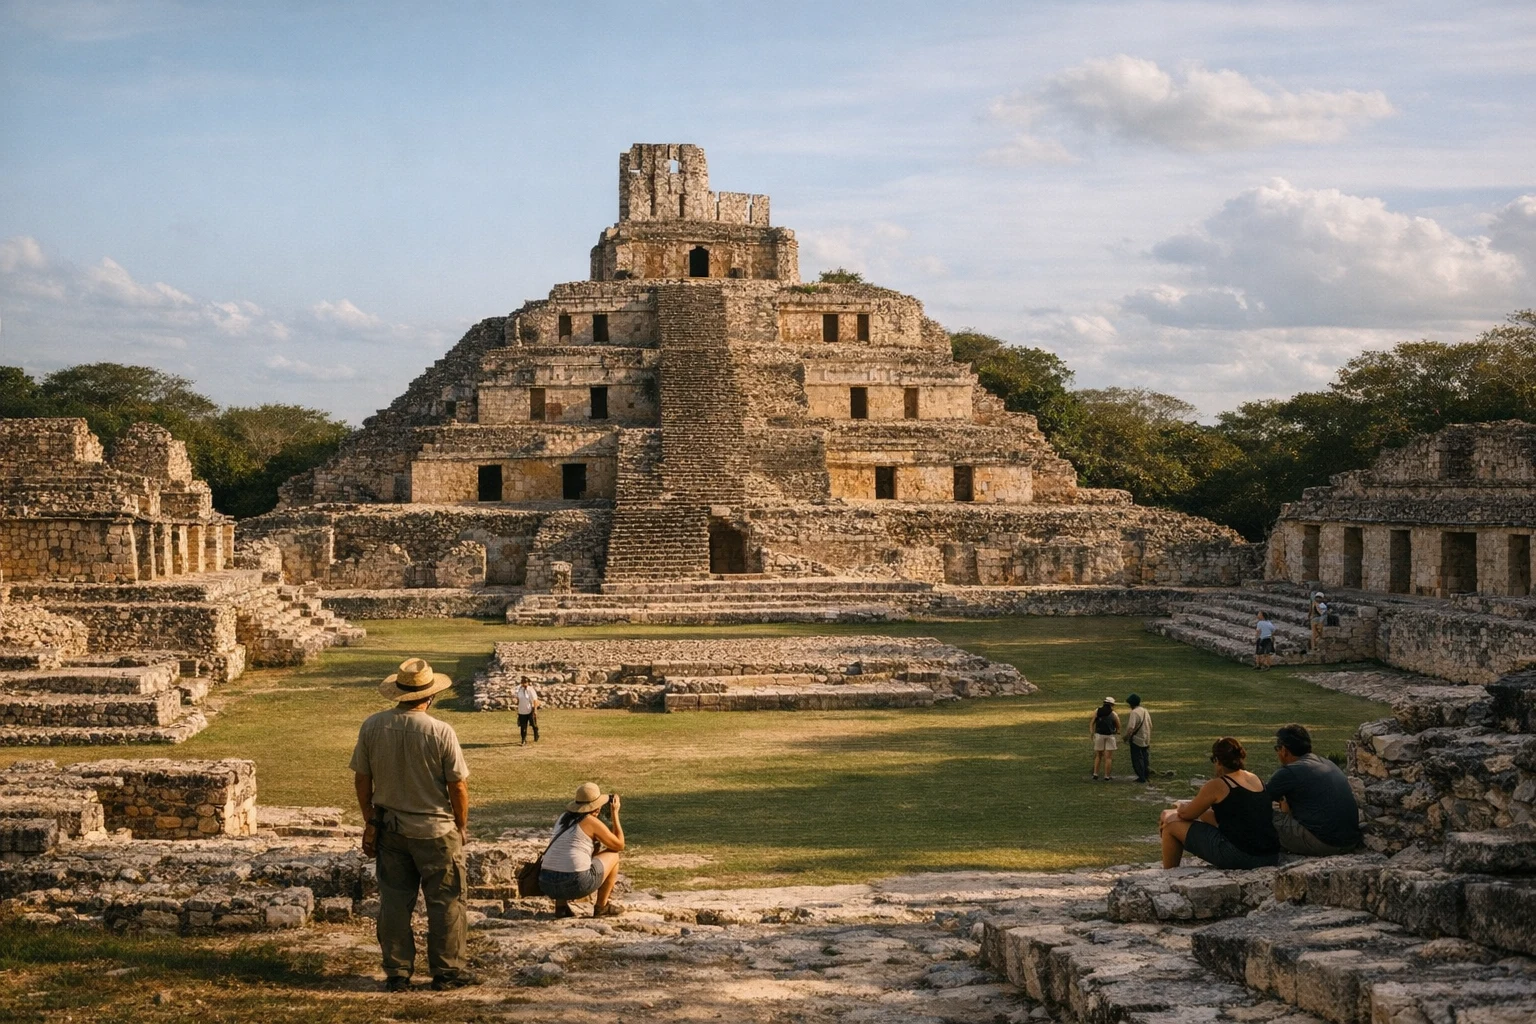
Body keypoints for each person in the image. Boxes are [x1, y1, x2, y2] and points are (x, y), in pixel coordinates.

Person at [351, 658, 479, 992]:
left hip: (390, 828)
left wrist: (370, 820)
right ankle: (447, 971)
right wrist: (461, 825)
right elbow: (458, 786)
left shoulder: (372, 726)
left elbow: (362, 779)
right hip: (436, 830)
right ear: (430, 695)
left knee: (394, 902)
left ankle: (397, 972)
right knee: (447, 902)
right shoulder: (440, 731)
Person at [1160, 737, 1281, 869]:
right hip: (1270, 855)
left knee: (1170, 824)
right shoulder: (1255, 778)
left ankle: (1169, 873)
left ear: (1217, 761)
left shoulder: (1219, 784)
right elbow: (1231, 816)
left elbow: (1186, 814)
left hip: (1240, 855)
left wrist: (1180, 807)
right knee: (1201, 816)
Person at [1266, 724, 1361, 856]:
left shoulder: (1289, 772)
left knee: (1264, 816)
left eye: (1277, 749)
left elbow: (1259, 799)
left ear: (1284, 750)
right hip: (1350, 840)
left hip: (1325, 844)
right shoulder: (1326, 763)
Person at [540, 782, 625, 918]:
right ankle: (601, 907)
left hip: (546, 882)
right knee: (614, 856)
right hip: (574, 883)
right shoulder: (590, 821)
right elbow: (619, 845)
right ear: (596, 807)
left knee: (563, 858)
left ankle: (561, 908)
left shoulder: (563, 818)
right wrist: (615, 813)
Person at [1123, 694, 1152, 783]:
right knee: (1145, 757)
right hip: (1146, 737)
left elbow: (1131, 727)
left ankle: (1141, 776)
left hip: (1137, 738)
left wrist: (1127, 737)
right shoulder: (1144, 710)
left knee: (1137, 758)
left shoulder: (1134, 712)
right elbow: (1150, 724)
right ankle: (1146, 774)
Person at [1090, 697, 1119, 781]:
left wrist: (1092, 732)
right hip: (1110, 736)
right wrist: (1117, 732)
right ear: (1112, 705)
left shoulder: (1097, 711)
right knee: (1108, 757)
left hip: (1099, 735)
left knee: (1098, 755)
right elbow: (1118, 725)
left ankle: (1095, 774)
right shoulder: (1113, 714)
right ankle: (1107, 776)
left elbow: (1092, 722)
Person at [515, 679, 540, 746]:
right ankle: (523, 740)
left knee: (533, 724)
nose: (524, 684)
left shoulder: (530, 690)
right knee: (523, 726)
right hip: (522, 710)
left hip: (530, 710)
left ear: (528, 683)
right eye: (522, 683)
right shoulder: (519, 690)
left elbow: (535, 700)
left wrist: (535, 710)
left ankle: (536, 733)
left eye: (525, 683)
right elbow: (518, 699)